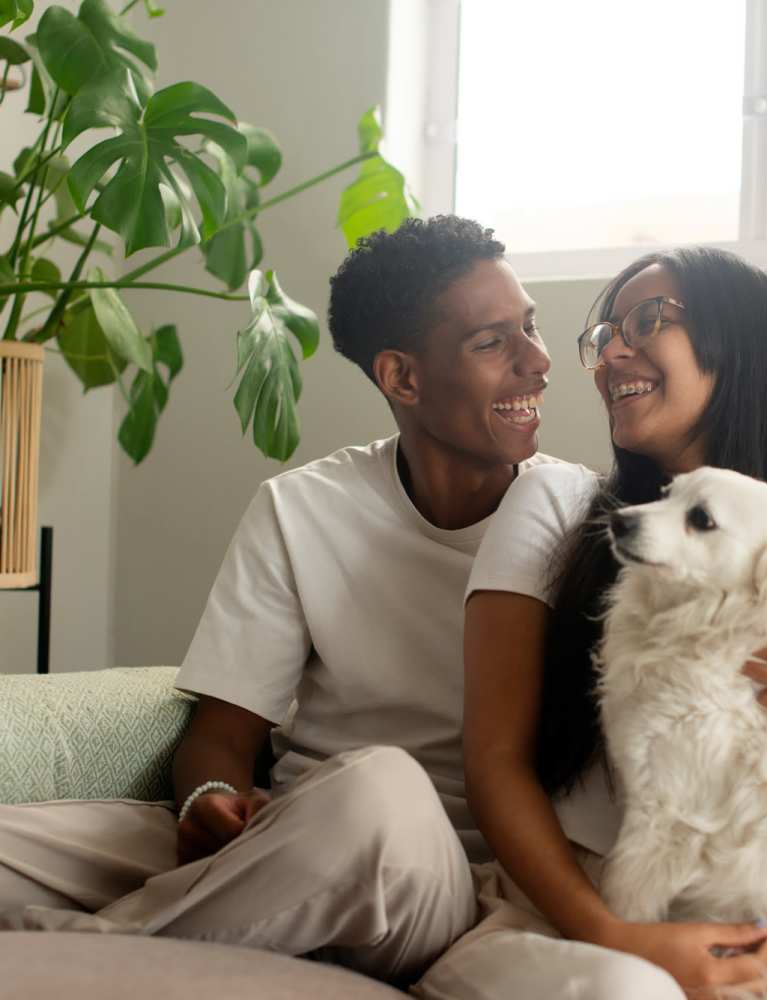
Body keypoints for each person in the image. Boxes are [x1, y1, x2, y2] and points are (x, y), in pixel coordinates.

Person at [413, 247, 767, 1000]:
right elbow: (495, 764)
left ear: (747, 351)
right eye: (607, 334)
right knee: (633, 993)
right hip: (579, 916)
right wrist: (619, 935)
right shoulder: (555, 506)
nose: (610, 354)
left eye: (648, 321)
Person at [0, 215, 556, 987]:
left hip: (445, 878)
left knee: (379, 786)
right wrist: (210, 797)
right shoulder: (301, 507)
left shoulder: (573, 518)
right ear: (402, 378)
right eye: (494, 342)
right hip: (285, 837)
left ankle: (71, 951)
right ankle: (187, 925)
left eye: (530, 327)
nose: (538, 361)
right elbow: (221, 733)